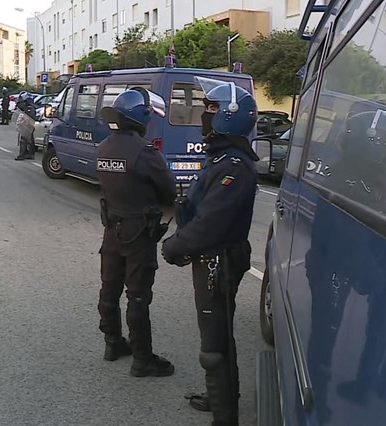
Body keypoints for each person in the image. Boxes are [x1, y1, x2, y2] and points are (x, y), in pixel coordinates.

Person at [161, 78, 259, 425]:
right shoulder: (222, 158)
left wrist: (175, 246)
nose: (205, 114)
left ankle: (225, 416)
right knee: (214, 337)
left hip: (219, 259)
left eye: (212, 109)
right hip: (210, 257)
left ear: (230, 117)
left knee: (215, 345)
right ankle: (220, 399)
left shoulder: (234, 166)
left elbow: (212, 222)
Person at [96, 87, 177, 377]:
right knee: (138, 296)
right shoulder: (146, 153)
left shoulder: (103, 147)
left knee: (109, 288)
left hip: (112, 229)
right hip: (138, 233)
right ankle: (142, 359)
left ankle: (112, 343)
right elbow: (169, 191)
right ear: (141, 117)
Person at [14, 91, 37, 161]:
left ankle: (22, 155)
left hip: (27, 125)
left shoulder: (29, 107)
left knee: (23, 140)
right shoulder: (30, 106)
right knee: (30, 140)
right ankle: (30, 154)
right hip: (29, 125)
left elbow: (29, 117)